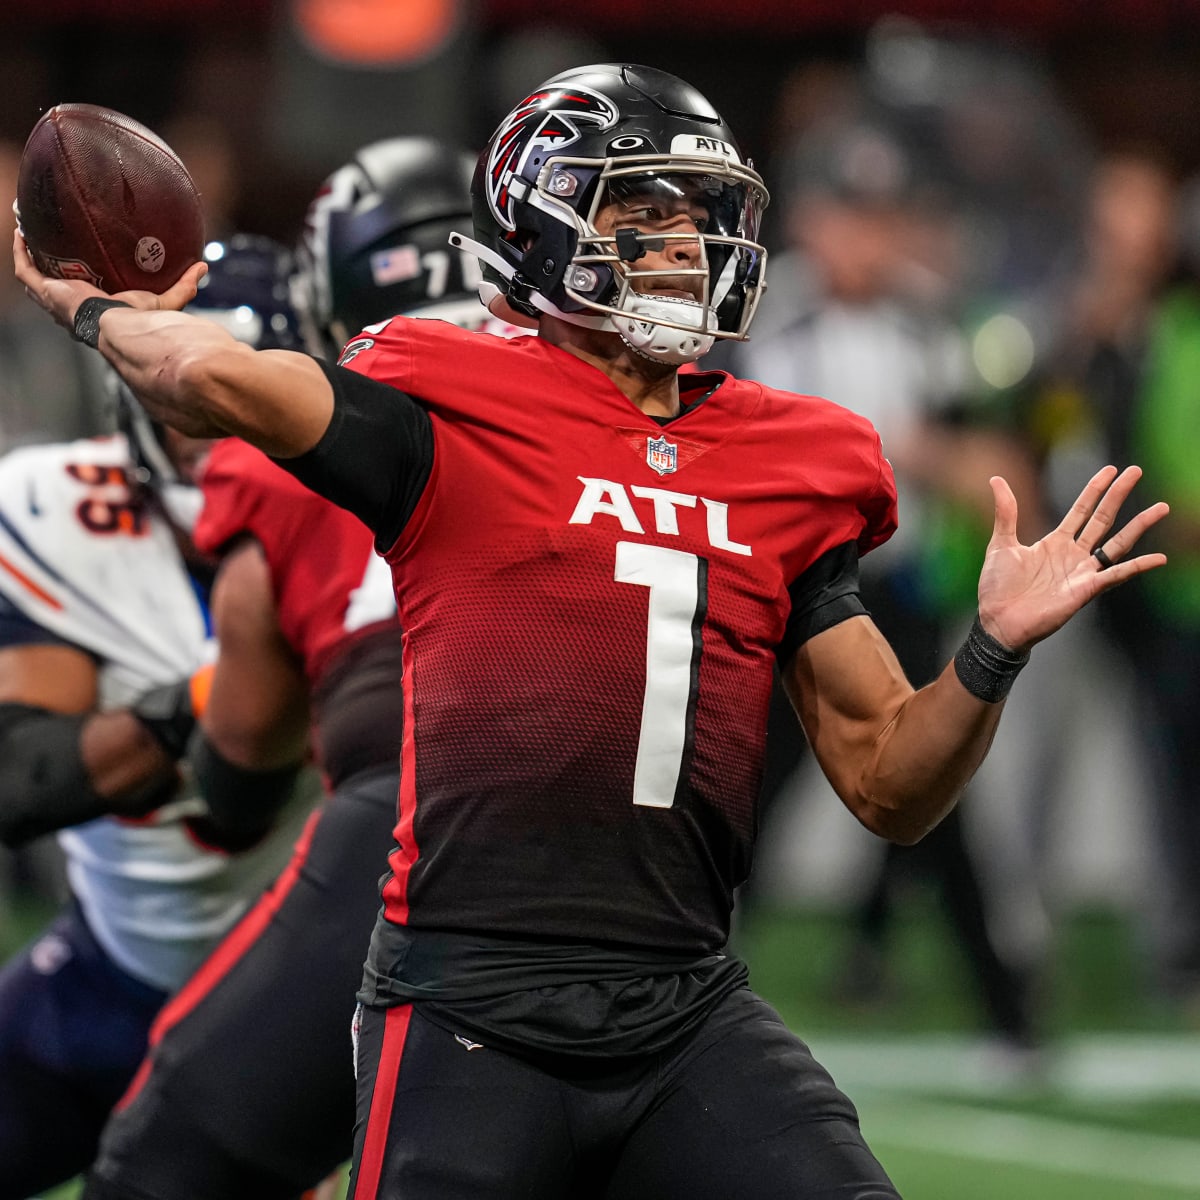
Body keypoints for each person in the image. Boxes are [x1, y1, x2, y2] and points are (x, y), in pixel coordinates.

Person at [16, 63, 1167, 1200]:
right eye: (641, 211)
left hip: (683, 1003)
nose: (683, 246)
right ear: (537, 223)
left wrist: (992, 649)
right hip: (472, 1005)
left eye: (701, 217)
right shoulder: (447, 394)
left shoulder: (798, 458)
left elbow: (889, 786)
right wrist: (102, 312)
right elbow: (214, 381)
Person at [86, 136, 503, 1200]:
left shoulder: (290, 439)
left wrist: (187, 740)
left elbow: (239, 774)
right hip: (647, 874)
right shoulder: (622, 417)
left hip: (417, 834)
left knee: (163, 1163)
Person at [0, 233, 315, 1200]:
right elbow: (18, 774)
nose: (210, 418)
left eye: (239, 388)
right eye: (186, 387)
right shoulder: (58, 507)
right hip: (111, 965)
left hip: (301, 1006)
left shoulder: (372, 526)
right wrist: (201, 711)